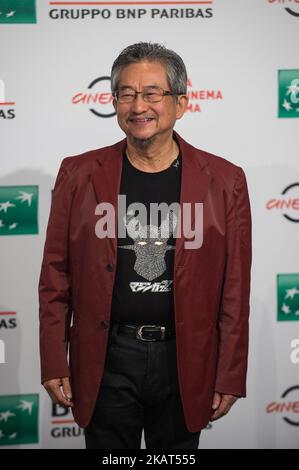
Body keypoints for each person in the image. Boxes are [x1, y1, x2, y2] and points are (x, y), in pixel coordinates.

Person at [39, 42, 252, 449]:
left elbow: (235, 288)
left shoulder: (225, 181)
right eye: (126, 93)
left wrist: (229, 374)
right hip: (106, 359)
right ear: (114, 100)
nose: (139, 106)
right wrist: (53, 359)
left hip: (185, 359)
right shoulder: (78, 173)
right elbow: (55, 275)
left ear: (181, 103)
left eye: (153, 93)